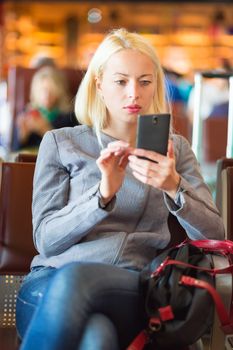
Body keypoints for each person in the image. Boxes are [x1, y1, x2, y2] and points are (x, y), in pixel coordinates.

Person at [16, 28, 224, 350]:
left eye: (145, 81)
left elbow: (214, 232)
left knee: (81, 289)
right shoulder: (61, 143)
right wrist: (101, 196)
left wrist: (173, 187)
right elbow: (46, 239)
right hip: (51, 283)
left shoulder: (175, 150)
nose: (134, 93)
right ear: (99, 84)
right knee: (97, 337)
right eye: (121, 81)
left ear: (155, 84)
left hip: (132, 284)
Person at [15, 65, 77, 150]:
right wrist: (22, 135)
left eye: (51, 90)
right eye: (42, 90)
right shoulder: (27, 113)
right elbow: (14, 150)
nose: (46, 95)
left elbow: (69, 149)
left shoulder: (69, 117)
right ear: (35, 92)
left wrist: (45, 129)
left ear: (59, 91)